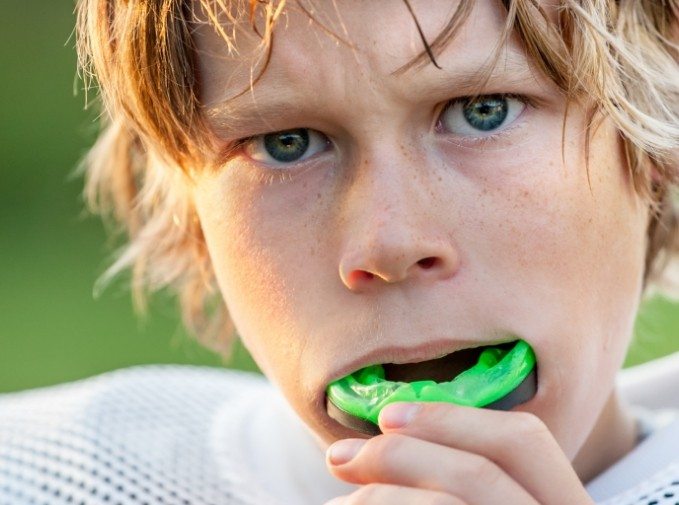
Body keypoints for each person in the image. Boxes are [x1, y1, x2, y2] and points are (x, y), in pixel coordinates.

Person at [1, 1, 678, 503]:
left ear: (653, 138)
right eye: (285, 143)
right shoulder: (50, 475)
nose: (388, 242)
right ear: (190, 209)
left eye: (482, 110)